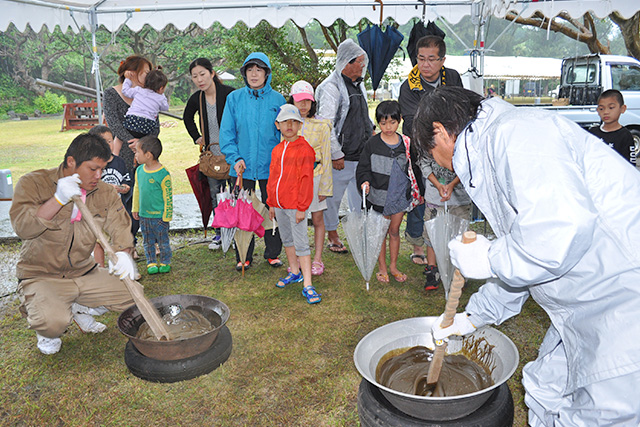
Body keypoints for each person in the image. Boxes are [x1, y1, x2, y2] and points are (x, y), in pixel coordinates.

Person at [416, 86, 640, 426]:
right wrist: (474, 316)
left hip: (623, 303)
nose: (438, 164)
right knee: (544, 387)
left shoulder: (518, 133)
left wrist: (491, 257)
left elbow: (559, 232)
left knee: (597, 418)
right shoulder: (493, 148)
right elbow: (527, 252)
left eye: (432, 153)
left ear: (440, 132)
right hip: (582, 305)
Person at [10, 133, 137, 355]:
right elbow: (23, 227)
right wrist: (57, 200)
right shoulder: (34, 183)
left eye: (103, 169)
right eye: (93, 168)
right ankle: (47, 322)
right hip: (41, 274)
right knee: (52, 322)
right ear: (71, 162)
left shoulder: (104, 191)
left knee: (133, 295)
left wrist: (124, 253)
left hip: (82, 271)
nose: (99, 175)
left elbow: (119, 226)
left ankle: (78, 306)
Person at [398, 35, 463, 288]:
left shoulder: (453, 77)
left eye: (431, 60)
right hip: (421, 150)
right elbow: (415, 119)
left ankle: (453, 253)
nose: (425, 65)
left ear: (442, 60)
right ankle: (419, 245)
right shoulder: (409, 85)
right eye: (421, 59)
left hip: (451, 148)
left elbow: (461, 109)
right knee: (422, 197)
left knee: (454, 198)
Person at [220, 52, 285, 271]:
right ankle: (243, 255)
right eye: (250, 70)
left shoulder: (278, 100)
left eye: (259, 69)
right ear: (244, 73)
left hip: (271, 168)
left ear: (267, 73)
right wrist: (235, 157)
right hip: (241, 167)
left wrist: (280, 162)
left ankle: (273, 253)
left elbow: (284, 134)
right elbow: (227, 133)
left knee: (272, 209)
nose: (254, 74)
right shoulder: (234, 99)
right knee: (242, 211)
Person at [316, 39, 374, 255]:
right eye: (359, 62)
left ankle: (357, 234)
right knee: (332, 198)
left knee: (359, 197)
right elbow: (325, 124)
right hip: (341, 157)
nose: (363, 66)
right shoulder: (331, 88)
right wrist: (336, 153)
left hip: (361, 154)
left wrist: (372, 131)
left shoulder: (358, 84)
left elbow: (363, 114)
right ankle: (332, 235)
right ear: (347, 63)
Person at [356, 101, 421, 284]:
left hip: (399, 196)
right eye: (383, 123)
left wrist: (419, 192)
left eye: (392, 122)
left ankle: (393, 266)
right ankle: (382, 267)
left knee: (394, 231)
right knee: (380, 233)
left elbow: (414, 168)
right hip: (378, 196)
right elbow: (363, 168)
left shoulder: (406, 144)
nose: (388, 127)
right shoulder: (372, 144)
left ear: (399, 120)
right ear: (378, 122)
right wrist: (364, 182)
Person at [103, 55, 156, 260]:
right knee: (125, 202)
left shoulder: (149, 94)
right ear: (130, 73)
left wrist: (144, 146)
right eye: (145, 72)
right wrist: (133, 142)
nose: (148, 76)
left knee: (147, 199)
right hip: (122, 154)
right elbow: (114, 124)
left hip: (147, 154)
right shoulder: (111, 94)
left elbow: (155, 125)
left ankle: (152, 242)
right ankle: (127, 245)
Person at [266, 104, 320, 304]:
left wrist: (301, 207)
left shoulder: (305, 150)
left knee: (301, 243)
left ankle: (308, 283)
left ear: (300, 124)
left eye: (294, 121)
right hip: (279, 206)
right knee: (287, 240)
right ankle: (294, 271)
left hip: (295, 206)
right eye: (285, 121)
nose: (289, 125)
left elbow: (306, 180)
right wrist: (271, 203)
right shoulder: (277, 150)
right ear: (277, 125)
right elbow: (273, 177)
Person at [183, 57, 235, 250]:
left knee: (234, 193)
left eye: (202, 74)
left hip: (232, 154)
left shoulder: (229, 93)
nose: (199, 79)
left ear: (212, 73)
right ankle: (220, 232)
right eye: (195, 76)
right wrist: (197, 137)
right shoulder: (197, 98)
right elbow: (187, 117)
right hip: (211, 157)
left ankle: (235, 230)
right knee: (216, 195)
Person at [288, 80, 332, 275]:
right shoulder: (287, 125)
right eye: (299, 101)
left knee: (317, 218)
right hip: (295, 180)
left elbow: (327, 158)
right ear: (292, 102)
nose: (303, 105)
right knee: (297, 219)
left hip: (316, 178)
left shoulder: (322, 125)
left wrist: (325, 188)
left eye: (307, 100)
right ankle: (299, 256)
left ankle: (317, 258)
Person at [88, 125, 132, 267]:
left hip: (117, 210)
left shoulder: (119, 162)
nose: (108, 144)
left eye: (110, 140)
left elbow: (126, 184)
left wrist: (120, 188)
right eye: (103, 141)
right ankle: (100, 269)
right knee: (98, 241)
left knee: (122, 240)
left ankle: (123, 270)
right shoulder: (90, 165)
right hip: (97, 212)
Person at [131, 136, 173, 275]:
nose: (135, 154)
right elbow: (136, 189)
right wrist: (135, 208)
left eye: (137, 152)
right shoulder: (139, 171)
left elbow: (168, 196)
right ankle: (151, 262)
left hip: (160, 217)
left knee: (163, 241)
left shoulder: (163, 174)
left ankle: (165, 261)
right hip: (144, 216)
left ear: (148, 155)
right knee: (147, 241)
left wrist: (167, 215)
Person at [589, 89, 636, 165]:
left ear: (622, 109)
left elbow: (630, 164)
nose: (606, 112)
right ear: (597, 110)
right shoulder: (592, 132)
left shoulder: (625, 135)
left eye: (611, 107)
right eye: (601, 109)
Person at [121, 68, 169, 138]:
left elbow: (125, 91)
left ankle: (116, 149)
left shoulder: (138, 90)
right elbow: (165, 107)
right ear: (161, 88)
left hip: (132, 121)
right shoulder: (160, 98)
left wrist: (128, 79)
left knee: (118, 138)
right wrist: (162, 94)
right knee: (143, 139)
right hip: (147, 126)